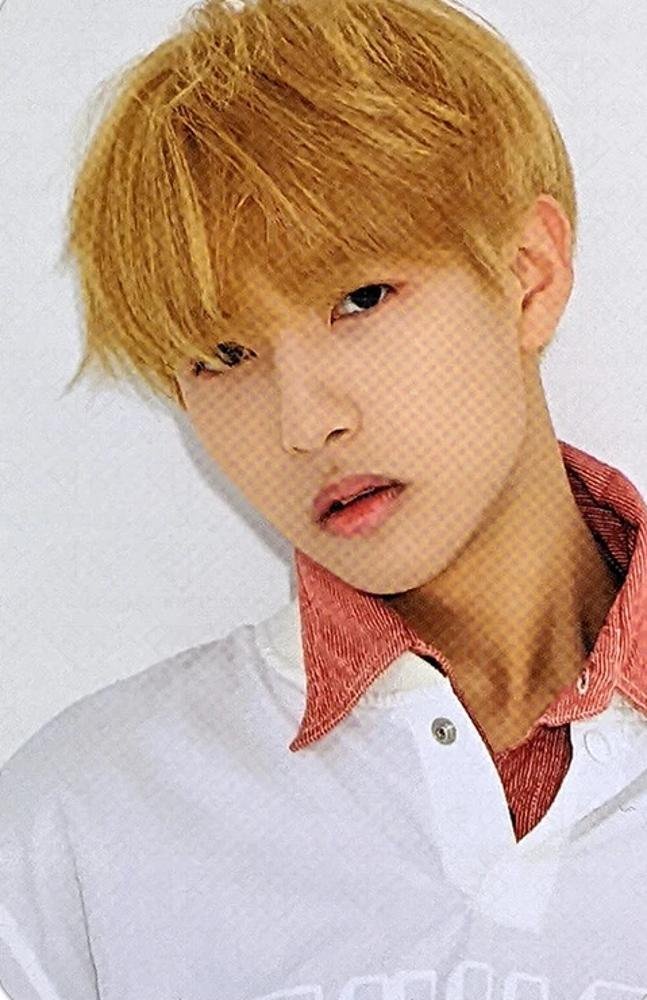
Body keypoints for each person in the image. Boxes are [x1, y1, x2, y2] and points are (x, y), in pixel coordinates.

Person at [2, 0, 646, 997]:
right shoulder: (82, 823)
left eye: (358, 299)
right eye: (224, 355)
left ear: (527, 276)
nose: (302, 422)